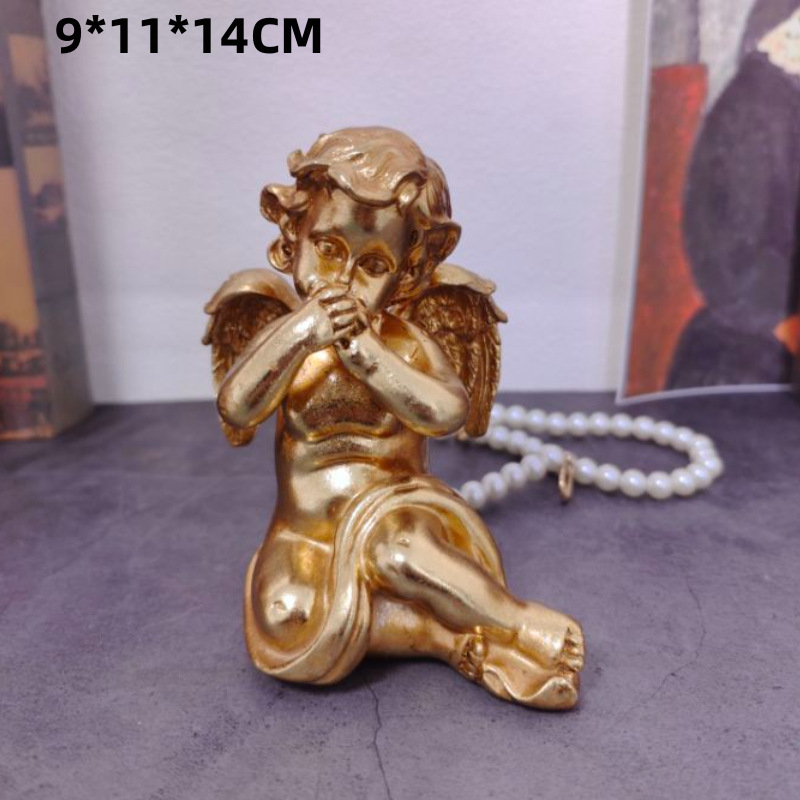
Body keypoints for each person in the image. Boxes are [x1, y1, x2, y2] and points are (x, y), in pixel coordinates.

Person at [205, 127, 584, 709]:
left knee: (399, 554)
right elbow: (237, 406)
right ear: (291, 240)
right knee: (285, 616)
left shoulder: (402, 342)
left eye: (373, 264)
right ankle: (443, 639)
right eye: (328, 249)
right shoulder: (283, 337)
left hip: (395, 509)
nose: (343, 280)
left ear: (406, 274)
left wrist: (370, 357)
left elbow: (448, 411)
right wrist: (302, 333)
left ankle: (516, 621)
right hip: (304, 532)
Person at [670, 1, 800, 389]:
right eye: (793, 32)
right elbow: (730, 262)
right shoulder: (752, 109)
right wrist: (781, 319)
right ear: (770, 36)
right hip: (745, 342)